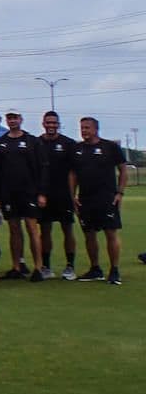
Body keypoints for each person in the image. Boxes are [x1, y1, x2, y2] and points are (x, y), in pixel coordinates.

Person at [69, 116, 126, 284]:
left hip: (107, 198)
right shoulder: (77, 149)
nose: (84, 131)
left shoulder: (110, 147)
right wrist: (73, 196)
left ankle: (114, 270)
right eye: (82, 128)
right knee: (89, 235)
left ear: (95, 129)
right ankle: (95, 269)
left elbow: (123, 169)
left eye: (87, 127)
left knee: (111, 233)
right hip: (86, 199)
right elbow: (72, 174)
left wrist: (120, 193)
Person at [35, 110, 79, 280]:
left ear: (58, 124)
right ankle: (46, 266)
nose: (51, 125)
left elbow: (74, 171)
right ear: (43, 124)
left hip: (64, 195)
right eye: (48, 122)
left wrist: (73, 194)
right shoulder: (37, 143)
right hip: (44, 195)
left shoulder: (68, 143)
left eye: (54, 123)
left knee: (67, 229)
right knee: (45, 230)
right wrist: (40, 193)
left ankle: (70, 266)